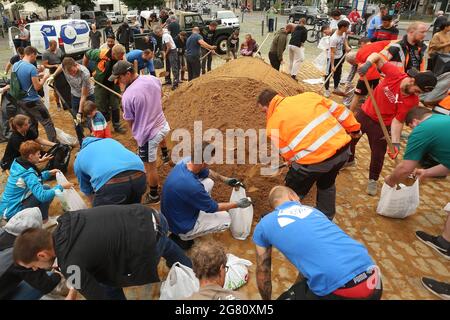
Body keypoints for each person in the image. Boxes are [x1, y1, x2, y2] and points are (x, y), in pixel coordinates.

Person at [13, 204, 192, 300]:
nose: (35, 269)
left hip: (149, 241)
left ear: (42, 255)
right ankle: (191, 268)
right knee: (165, 243)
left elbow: (96, 296)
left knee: (107, 287)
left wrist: (72, 289)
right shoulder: (66, 222)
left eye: (33, 266)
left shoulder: (70, 266)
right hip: (152, 216)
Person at [253, 186, 382, 300]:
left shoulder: (264, 225)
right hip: (373, 278)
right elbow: (318, 249)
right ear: (293, 197)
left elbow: (262, 272)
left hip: (340, 291)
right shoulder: (314, 211)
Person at [259, 89, 361, 220]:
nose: (265, 115)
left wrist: (290, 162)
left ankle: (283, 218)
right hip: (342, 152)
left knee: (291, 189)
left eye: (264, 111)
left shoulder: (273, 125)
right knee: (327, 183)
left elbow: (288, 154)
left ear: (268, 106)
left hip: (315, 162)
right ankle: (327, 216)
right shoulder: (309, 96)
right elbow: (341, 111)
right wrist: (354, 129)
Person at [352, 55, 437, 196]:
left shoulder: (412, 101)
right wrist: (367, 64)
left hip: (382, 125)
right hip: (365, 113)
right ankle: (349, 160)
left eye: (420, 93)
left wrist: (395, 143)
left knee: (378, 154)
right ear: (412, 80)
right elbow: (376, 57)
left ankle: (373, 179)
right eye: (417, 90)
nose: (417, 95)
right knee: (350, 139)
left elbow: (398, 121)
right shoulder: (395, 74)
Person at [383, 107, 450, 261]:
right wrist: (426, 172)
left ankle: (444, 244)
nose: (412, 130)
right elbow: (448, 164)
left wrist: (390, 181)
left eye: (411, 127)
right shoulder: (442, 120)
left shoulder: (421, 129)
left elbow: (405, 168)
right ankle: (445, 241)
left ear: (414, 122)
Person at [161, 142, 251, 249]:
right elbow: (214, 208)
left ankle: (197, 211)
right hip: (180, 225)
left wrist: (225, 180)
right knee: (226, 219)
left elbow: (207, 173)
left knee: (209, 182)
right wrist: (237, 204)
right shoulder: (192, 186)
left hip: (171, 213)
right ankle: (184, 237)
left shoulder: (186, 162)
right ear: (203, 162)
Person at [110, 61, 170, 204]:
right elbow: (160, 95)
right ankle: (166, 155)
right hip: (162, 125)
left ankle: (154, 195)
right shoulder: (152, 78)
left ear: (128, 74)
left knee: (150, 167)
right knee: (159, 139)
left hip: (149, 135)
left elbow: (130, 122)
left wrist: (137, 136)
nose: (118, 81)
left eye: (119, 78)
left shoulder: (127, 96)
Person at [0, 208, 74, 300]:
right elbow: (46, 285)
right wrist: (57, 274)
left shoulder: (2, 234)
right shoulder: (22, 254)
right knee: (48, 275)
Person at [0, 141, 72, 223]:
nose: (40, 155)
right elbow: (43, 196)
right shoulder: (28, 173)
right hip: (13, 213)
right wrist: (61, 187)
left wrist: (48, 173)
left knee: (45, 187)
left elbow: (35, 178)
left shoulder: (18, 162)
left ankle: (42, 218)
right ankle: (43, 221)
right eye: (38, 154)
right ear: (30, 156)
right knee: (46, 191)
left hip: (7, 208)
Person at [74, 137, 146, 206]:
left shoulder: (80, 157)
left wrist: (95, 209)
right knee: (134, 211)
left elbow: (87, 190)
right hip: (139, 175)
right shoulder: (111, 141)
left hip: (113, 183)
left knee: (106, 216)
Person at [12, 46, 56, 142]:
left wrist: (37, 73)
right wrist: (45, 77)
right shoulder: (31, 68)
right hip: (32, 101)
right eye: (35, 57)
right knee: (47, 122)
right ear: (31, 54)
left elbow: (23, 78)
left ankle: (32, 143)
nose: (35, 59)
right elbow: (37, 87)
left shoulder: (16, 65)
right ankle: (55, 145)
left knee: (31, 122)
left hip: (21, 100)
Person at [49, 57, 95, 146]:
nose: (72, 74)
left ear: (76, 65)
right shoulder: (65, 67)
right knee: (76, 122)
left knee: (90, 119)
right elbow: (61, 66)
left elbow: (83, 96)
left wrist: (80, 113)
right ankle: (82, 142)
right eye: (69, 73)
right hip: (74, 96)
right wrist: (53, 76)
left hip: (87, 97)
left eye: (73, 71)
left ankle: (95, 139)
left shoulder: (84, 73)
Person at [83, 44, 126, 134]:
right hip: (100, 84)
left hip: (113, 84)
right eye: (120, 56)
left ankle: (117, 125)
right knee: (100, 105)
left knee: (115, 105)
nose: (122, 58)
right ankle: (101, 126)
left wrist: (122, 90)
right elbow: (87, 54)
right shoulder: (101, 53)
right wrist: (85, 69)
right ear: (114, 54)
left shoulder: (121, 58)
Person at [343, 39, 391, 113]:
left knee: (357, 96)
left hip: (366, 77)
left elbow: (355, 69)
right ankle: (370, 110)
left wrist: (348, 81)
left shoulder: (360, 53)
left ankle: (351, 113)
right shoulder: (375, 47)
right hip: (376, 76)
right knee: (373, 95)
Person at [324, 20, 350, 98]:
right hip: (332, 58)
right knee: (328, 73)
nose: (348, 29)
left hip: (340, 56)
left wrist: (347, 46)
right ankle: (327, 90)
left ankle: (336, 87)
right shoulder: (334, 38)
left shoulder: (343, 33)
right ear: (342, 27)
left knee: (338, 73)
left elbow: (344, 39)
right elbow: (332, 53)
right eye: (347, 27)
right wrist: (332, 65)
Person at [41, 40, 64, 111]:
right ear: (50, 46)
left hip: (61, 69)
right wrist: (54, 65)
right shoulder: (45, 53)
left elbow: (62, 58)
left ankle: (64, 102)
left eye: (56, 46)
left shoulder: (59, 50)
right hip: (53, 71)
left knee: (64, 86)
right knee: (56, 88)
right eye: (54, 46)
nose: (55, 47)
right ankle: (58, 103)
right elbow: (45, 65)